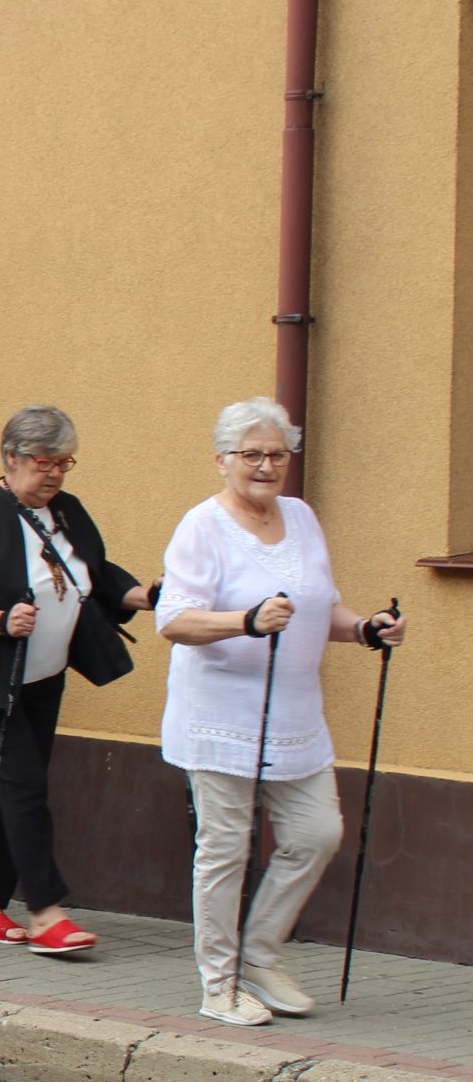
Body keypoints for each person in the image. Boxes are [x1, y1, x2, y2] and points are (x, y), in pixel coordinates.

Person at [155, 397, 404, 1025]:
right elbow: (174, 619)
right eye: (252, 454)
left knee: (317, 834)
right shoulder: (201, 526)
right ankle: (219, 983)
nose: (267, 466)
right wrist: (245, 621)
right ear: (222, 460)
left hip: (294, 717)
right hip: (220, 714)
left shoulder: (300, 516)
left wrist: (367, 629)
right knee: (226, 849)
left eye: (277, 454)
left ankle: (259, 956)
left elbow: (322, 609)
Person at [0, 405, 155, 955]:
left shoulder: (66, 510)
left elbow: (97, 574)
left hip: (45, 674)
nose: (54, 474)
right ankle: (47, 912)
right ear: (11, 458)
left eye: (63, 463)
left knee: (17, 790)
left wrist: (150, 597)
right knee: (24, 786)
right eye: (44, 462)